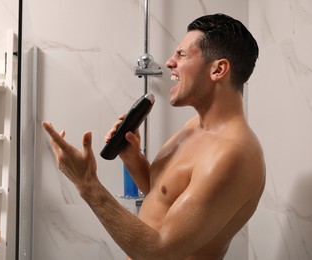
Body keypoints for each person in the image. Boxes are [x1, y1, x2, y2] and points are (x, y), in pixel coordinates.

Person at [42, 13, 266, 260]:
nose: (170, 62)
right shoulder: (196, 126)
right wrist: (133, 159)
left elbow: (160, 251)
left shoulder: (233, 154)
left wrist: (87, 184)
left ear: (218, 69)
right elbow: (162, 194)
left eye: (182, 54)